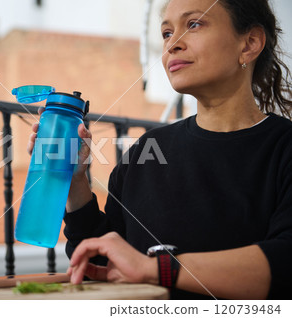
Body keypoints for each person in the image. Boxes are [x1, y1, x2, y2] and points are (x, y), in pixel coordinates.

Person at [28, 0, 292, 300]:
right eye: (167, 33)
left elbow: (285, 263)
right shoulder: (145, 152)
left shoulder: (283, 149)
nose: (172, 45)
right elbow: (105, 266)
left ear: (250, 43)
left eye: (194, 24)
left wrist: (157, 269)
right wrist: (75, 183)